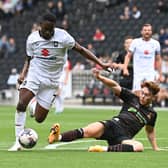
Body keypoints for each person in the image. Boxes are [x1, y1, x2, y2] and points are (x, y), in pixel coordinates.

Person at [8, 12, 111, 151]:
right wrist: (23, 73)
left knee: (39, 118)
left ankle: (34, 107)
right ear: (40, 27)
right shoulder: (32, 39)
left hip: (52, 81)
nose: (48, 32)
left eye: (51, 30)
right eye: (45, 29)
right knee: (21, 104)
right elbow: (28, 58)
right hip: (35, 75)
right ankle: (18, 141)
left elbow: (81, 50)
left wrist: (101, 63)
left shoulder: (63, 37)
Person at [48, 68, 161, 152]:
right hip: (112, 125)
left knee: (139, 147)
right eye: (142, 93)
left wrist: (155, 147)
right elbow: (115, 86)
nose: (142, 96)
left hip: (124, 137)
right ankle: (58, 137)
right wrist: (100, 77)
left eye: (146, 95)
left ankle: (103, 149)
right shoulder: (132, 97)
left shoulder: (152, 114)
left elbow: (150, 131)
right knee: (86, 131)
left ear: (153, 97)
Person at [123, 23, 163, 91]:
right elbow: (128, 56)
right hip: (138, 74)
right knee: (137, 94)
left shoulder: (156, 44)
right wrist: (125, 68)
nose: (147, 32)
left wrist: (160, 74)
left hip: (150, 74)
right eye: (145, 30)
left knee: (149, 93)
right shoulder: (135, 42)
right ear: (141, 32)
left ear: (151, 32)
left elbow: (158, 59)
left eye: (149, 30)